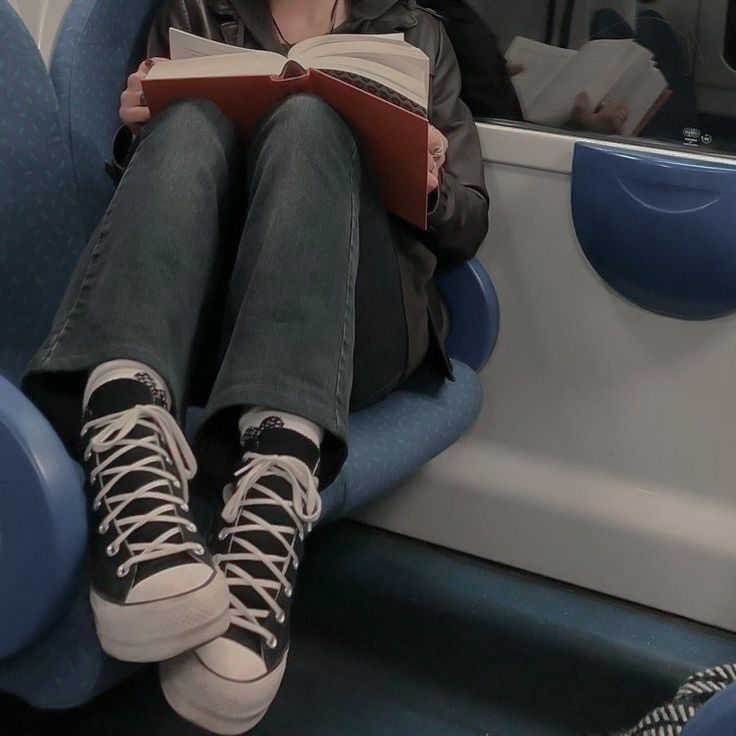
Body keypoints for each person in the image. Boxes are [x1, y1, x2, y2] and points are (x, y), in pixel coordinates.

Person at [21, 0, 489, 732]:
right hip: (215, 312)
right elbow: (155, 196)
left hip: (353, 321)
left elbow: (469, 223)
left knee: (309, 119)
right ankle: (129, 450)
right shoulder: (195, 6)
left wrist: (430, 179)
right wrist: (136, 129)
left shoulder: (416, 30)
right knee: (188, 120)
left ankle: (272, 492)